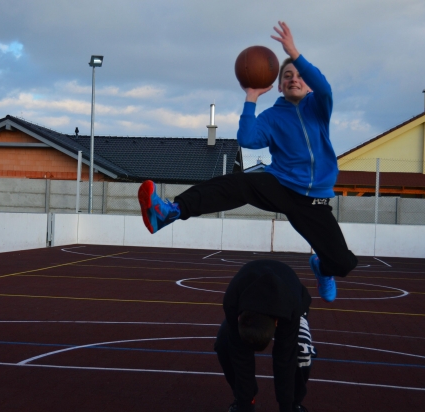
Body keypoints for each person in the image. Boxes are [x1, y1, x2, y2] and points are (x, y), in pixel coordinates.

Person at [137, 21, 358, 301]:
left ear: (308, 85)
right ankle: (171, 211)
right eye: (287, 75)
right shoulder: (272, 117)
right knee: (239, 184)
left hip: (314, 202)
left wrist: (293, 52)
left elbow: (324, 88)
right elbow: (248, 139)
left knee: (343, 263)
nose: (293, 78)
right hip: (281, 185)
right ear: (278, 86)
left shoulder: (318, 106)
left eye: (299, 76)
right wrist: (251, 98)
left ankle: (321, 267)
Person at [215, 260, 315, 412]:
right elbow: (240, 357)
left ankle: (295, 403)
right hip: (245, 298)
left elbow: (284, 359)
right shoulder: (232, 301)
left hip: (292, 301)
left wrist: (286, 407)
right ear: (239, 319)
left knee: (301, 349)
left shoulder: (291, 306)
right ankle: (243, 398)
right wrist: (245, 405)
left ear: (276, 323)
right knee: (224, 345)